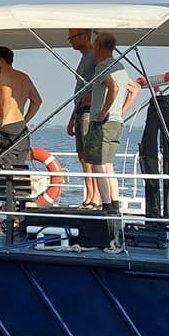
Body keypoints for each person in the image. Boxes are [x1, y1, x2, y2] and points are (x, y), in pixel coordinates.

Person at [84, 33, 132, 212]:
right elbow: (133, 90)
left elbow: (114, 88)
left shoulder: (102, 66)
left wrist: (104, 111)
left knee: (98, 164)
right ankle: (114, 204)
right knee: (108, 165)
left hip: (102, 122)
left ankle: (106, 206)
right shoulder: (120, 66)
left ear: (97, 46)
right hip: (116, 122)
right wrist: (120, 111)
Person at [0, 46, 43, 166]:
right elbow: (37, 101)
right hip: (20, 127)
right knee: (19, 166)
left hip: (5, 129)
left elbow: (6, 98)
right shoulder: (24, 77)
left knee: (1, 166)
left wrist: (0, 120)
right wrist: (25, 120)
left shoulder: (5, 77)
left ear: (1, 61)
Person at [64, 28, 100, 208]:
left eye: (72, 37)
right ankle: (90, 195)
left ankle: (94, 198)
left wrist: (92, 99)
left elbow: (107, 83)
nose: (69, 41)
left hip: (89, 111)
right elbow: (81, 90)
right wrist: (72, 117)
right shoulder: (85, 58)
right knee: (82, 156)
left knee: (89, 156)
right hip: (79, 111)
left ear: (84, 37)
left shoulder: (95, 56)